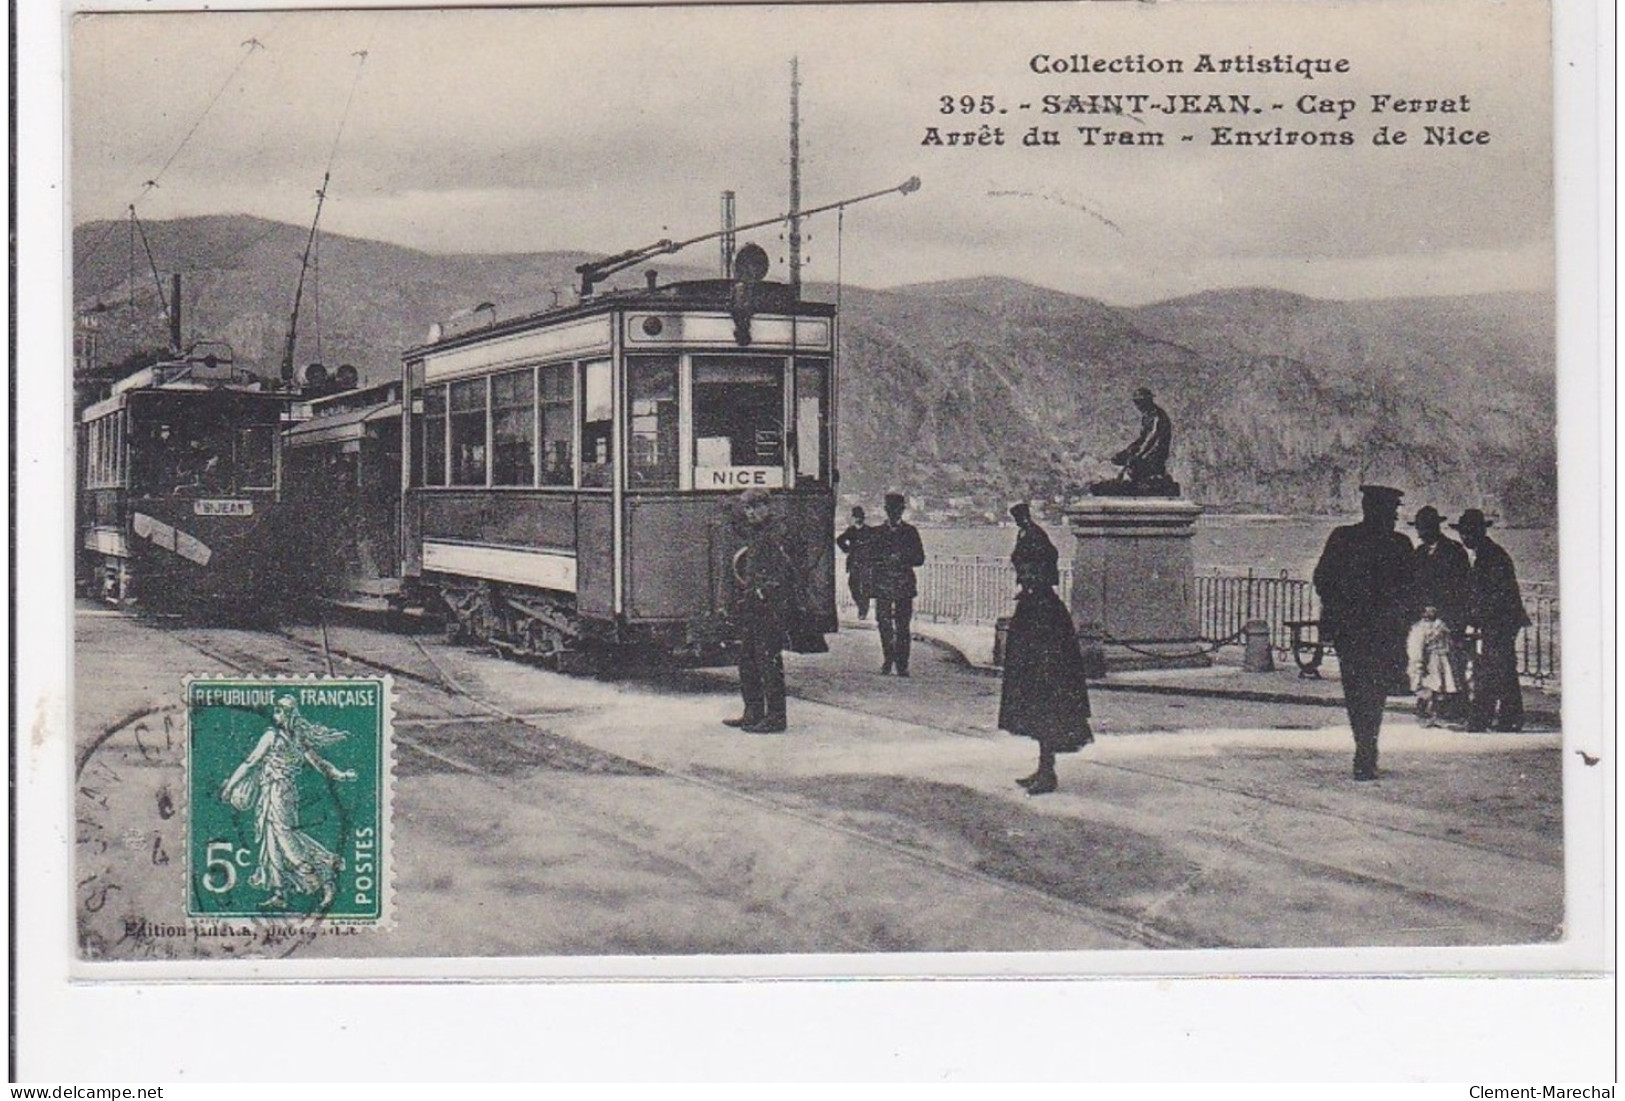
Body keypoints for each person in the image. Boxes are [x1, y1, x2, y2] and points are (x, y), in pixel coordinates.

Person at [1312, 484, 1414, 780]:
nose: (1395, 517)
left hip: (1352, 632)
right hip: (1383, 634)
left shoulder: (1343, 538)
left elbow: (1322, 580)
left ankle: (1364, 747)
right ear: (1379, 511)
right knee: (1375, 692)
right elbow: (1410, 590)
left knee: (1357, 692)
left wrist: (1340, 611)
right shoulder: (1399, 545)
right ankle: (1367, 748)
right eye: (1392, 511)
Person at [218, 695, 356, 910]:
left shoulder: (272, 737)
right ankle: (280, 894)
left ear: (287, 714)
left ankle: (324, 880)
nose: (276, 714)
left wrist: (229, 787)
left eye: (279, 711)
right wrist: (340, 774)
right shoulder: (297, 739)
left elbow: (250, 762)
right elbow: (320, 764)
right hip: (279, 792)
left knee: (285, 839)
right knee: (271, 840)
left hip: (277, 792)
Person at [999, 502, 1093, 795]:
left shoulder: (1035, 538)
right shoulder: (1030, 536)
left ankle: (1047, 771)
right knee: (1035, 698)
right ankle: (1043, 767)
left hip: (1040, 622)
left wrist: (1030, 581)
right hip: (1034, 615)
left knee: (1043, 697)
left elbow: (1042, 562)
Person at [1453, 509, 1530, 732]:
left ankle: (1483, 718)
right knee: (1502, 668)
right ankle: (1509, 718)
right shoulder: (1488, 553)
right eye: (1463, 533)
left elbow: (1495, 595)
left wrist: (1475, 617)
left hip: (1501, 620)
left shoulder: (1491, 556)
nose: (1465, 538)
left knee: (1492, 667)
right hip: (1500, 620)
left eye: (1469, 533)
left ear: (1480, 532)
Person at [724, 487, 794, 733]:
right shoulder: (758, 531)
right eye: (747, 508)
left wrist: (767, 590)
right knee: (747, 659)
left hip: (771, 605)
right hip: (754, 604)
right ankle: (752, 712)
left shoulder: (778, 532)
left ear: (767, 506)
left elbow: (787, 568)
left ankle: (776, 717)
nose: (750, 513)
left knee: (768, 661)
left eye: (754, 507)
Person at [869, 492, 926, 676]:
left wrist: (902, 558)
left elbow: (919, 559)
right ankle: (888, 659)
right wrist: (883, 561)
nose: (894, 513)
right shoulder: (877, 533)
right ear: (886, 510)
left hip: (903, 585)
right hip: (883, 585)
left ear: (902, 511)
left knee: (903, 626)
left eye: (898, 509)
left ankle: (902, 664)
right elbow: (869, 558)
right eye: (891, 509)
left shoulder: (910, 532)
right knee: (883, 624)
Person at [1092, 386, 1177, 497]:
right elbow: (1142, 437)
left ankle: (1144, 483)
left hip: (1157, 451)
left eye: (1140, 402)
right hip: (1147, 448)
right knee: (1121, 458)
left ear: (1148, 401)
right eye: (1136, 402)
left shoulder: (1157, 416)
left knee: (1136, 462)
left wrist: (1139, 454)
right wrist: (1130, 448)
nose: (1138, 406)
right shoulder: (1147, 416)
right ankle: (1131, 482)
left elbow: (1152, 438)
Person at [1406, 605, 1459, 726]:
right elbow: (1416, 647)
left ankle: (1437, 714)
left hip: (1442, 659)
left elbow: (1448, 644)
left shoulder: (1441, 626)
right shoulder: (1419, 628)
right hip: (1428, 660)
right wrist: (1418, 663)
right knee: (1427, 687)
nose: (1430, 612)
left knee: (1441, 688)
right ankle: (1424, 713)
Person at [834, 506, 875, 620]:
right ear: (853, 518)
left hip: (866, 563)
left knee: (865, 587)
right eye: (856, 517)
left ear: (863, 517)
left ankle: (863, 610)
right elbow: (839, 540)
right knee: (853, 585)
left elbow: (875, 544)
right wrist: (847, 550)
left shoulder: (869, 531)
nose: (858, 519)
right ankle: (861, 606)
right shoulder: (851, 530)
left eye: (860, 516)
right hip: (854, 563)